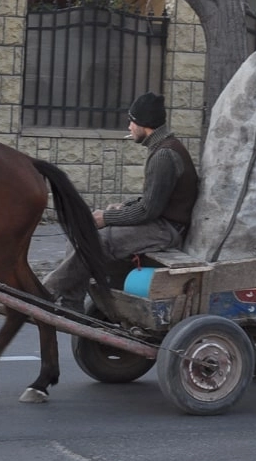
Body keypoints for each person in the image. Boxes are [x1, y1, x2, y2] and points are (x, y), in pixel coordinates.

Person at [43, 92, 198, 312]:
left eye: (131, 121)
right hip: (159, 223)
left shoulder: (164, 155)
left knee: (98, 240)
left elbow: (148, 211)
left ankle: (45, 292)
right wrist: (125, 207)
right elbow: (155, 199)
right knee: (81, 233)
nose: (129, 127)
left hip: (167, 229)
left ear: (144, 124)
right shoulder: (162, 148)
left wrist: (106, 218)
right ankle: (72, 304)